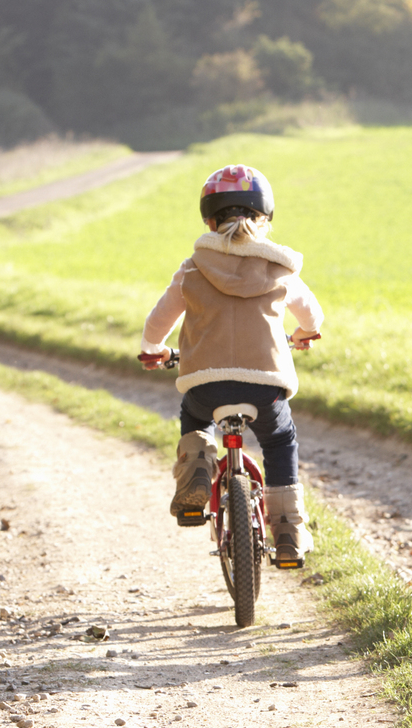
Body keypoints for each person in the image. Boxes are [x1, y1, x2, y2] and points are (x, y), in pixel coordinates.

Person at [139, 164, 324, 565]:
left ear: (209, 219)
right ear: (266, 219)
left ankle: (195, 478)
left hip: (205, 385)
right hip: (264, 386)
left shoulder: (193, 267)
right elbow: (312, 315)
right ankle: (289, 532)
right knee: (279, 441)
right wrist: (305, 334)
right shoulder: (280, 267)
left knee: (196, 419)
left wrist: (153, 348)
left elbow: (158, 321)